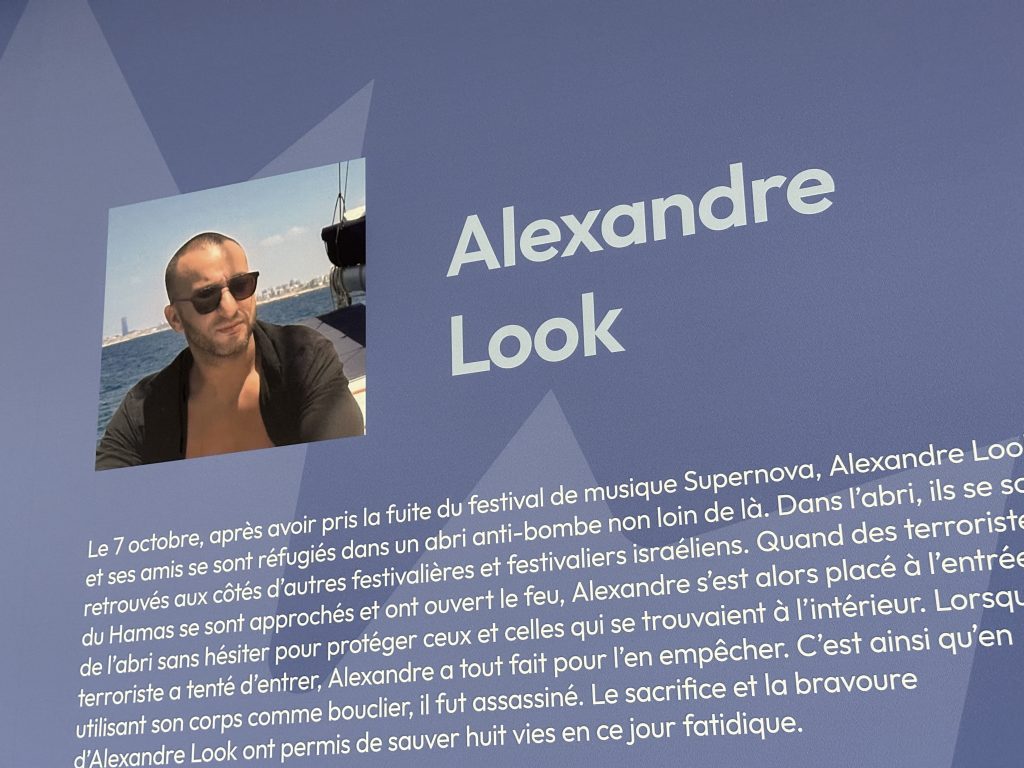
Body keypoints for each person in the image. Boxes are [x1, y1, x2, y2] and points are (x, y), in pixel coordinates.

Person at [96, 232, 363, 469]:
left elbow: (338, 469)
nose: (230, 309)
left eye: (241, 286)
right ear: (175, 318)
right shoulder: (144, 410)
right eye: (206, 296)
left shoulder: (303, 358)